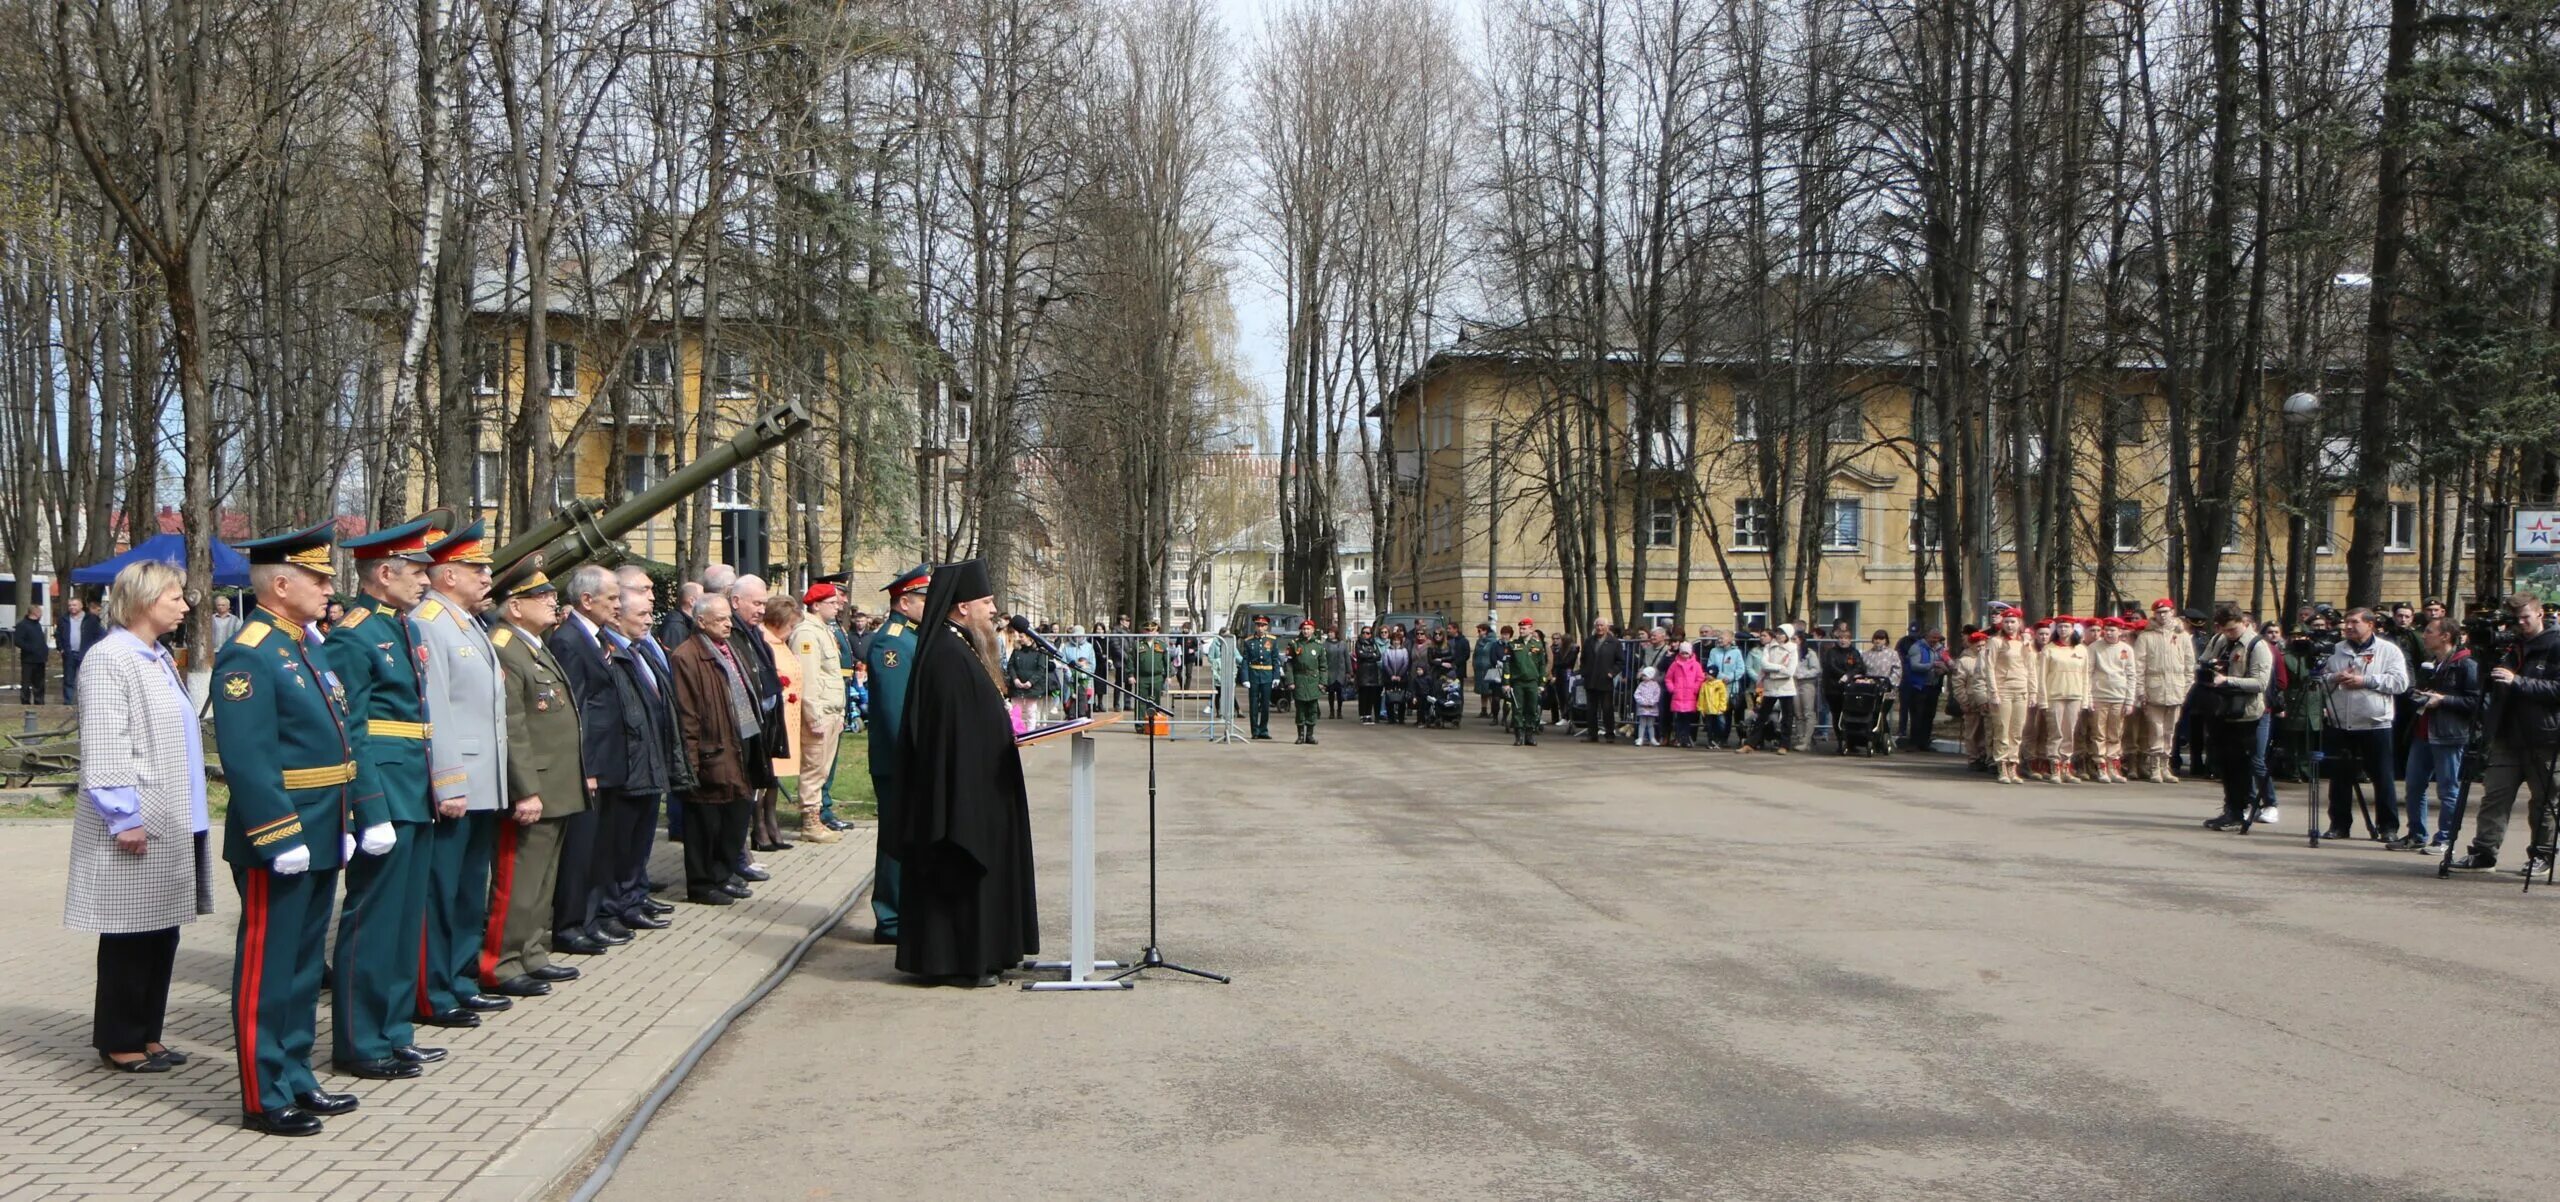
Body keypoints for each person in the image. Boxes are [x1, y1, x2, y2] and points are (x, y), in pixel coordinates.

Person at [211, 521, 362, 1136]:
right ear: (280, 583)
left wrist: (346, 818)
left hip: (323, 827)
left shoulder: (307, 643)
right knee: (268, 969)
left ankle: (296, 1071)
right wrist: (279, 835)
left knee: (303, 967)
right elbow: (248, 757)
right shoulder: (250, 650)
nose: (329, 587)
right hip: (282, 835)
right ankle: (263, 1093)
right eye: (319, 578)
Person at [67, 560, 211, 1077]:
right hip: (138, 821)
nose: (184, 604)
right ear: (145, 599)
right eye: (174, 595)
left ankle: (149, 1032)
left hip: (172, 817)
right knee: (130, 933)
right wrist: (123, 816)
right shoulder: (111, 659)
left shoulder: (156, 656)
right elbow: (107, 744)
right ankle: (119, 1039)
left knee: (161, 932)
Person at [323, 516, 444, 1081]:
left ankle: (394, 1031)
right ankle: (359, 1040)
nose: (426, 580)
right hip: (385, 792)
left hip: (413, 786)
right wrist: (368, 806)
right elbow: (354, 727)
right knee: (373, 920)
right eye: (417, 571)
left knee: (404, 920)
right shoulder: (354, 633)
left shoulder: (403, 628)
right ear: (384, 573)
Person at [889, 559, 1038, 987]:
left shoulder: (964, 647)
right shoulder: (946, 655)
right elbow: (948, 736)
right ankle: (957, 960)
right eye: (986, 602)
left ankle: (990, 951)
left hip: (981, 784)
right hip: (959, 792)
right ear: (960, 608)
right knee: (962, 872)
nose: (994, 610)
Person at [411, 522, 515, 1029]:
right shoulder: (430, 620)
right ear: (447, 575)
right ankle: (433, 990)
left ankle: (460, 979)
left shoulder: (467, 621)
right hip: (458, 781)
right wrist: (448, 780)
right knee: (443, 891)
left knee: (471, 887)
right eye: (477, 569)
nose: (486, 578)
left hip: (484, 779)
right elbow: (437, 708)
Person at [480, 570, 588, 998]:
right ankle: (501, 964)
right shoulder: (506, 647)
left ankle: (532, 952)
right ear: (515, 606)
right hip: (533, 787)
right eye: (539, 595)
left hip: (556, 783)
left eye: (550, 593)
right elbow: (513, 726)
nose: (551, 600)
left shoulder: (532, 646)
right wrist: (524, 788)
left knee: (543, 879)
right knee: (518, 880)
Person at [543, 565, 625, 958]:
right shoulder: (569, 640)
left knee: (596, 848)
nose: (618, 604)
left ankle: (588, 920)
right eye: (611, 598)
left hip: (602, 763)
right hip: (585, 767)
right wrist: (585, 767)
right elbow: (575, 710)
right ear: (587, 600)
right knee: (578, 851)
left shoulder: (591, 637)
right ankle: (570, 924)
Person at [2451, 595, 2560, 875]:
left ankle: (2542, 855)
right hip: (2505, 734)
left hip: (2544, 736)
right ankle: (2484, 852)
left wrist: (2519, 681)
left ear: (2539, 614)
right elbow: (2486, 684)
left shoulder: (2555, 644)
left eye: (2526, 617)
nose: (2521, 623)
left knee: (2545, 800)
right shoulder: (2510, 646)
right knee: (2495, 796)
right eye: (2516, 619)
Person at [599, 566, 680, 930]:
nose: (650, 616)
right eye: (643, 612)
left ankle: (634, 896)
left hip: (650, 758)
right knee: (618, 842)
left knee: (640, 838)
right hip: (628, 762)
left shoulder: (642, 650)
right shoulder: (613, 651)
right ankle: (617, 903)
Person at [669, 593, 759, 904]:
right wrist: (691, 762)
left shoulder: (729, 648)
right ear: (701, 621)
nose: (728, 624)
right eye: (720, 619)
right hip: (710, 751)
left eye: (728, 618)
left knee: (734, 818)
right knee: (704, 824)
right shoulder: (687, 656)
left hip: (738, 745)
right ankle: (702, 883)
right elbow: (687, 714)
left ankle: (723, 875)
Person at [863, 566, 929, 942]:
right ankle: (890, 919)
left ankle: (905, 911)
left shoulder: (910, 637)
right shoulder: (892, 643)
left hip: (906, 758)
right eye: (924, 598)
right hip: (896, 760)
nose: (930, 605)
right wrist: (912, 758)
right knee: (895, 838)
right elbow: (893, 711)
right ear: (904, 602)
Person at [2319, 607, 2410, 840]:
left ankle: (2388, 827)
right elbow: (2319, 680)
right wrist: (2335, 678)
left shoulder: (2388, 651)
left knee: (2382, 777)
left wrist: (2365, 681)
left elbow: (2400, 683)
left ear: (2370, 624)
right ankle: (2339, 825)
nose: (2348, 627)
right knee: (2339, 778)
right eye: (2346, 622)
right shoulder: (2335, 650)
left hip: (2375, 723)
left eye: (2354, 622)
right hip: (2341, 722)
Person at [2394, 620, 2482, 852]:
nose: (2424, 636)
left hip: (2449, 735)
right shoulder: (2434, 663)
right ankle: (2416, 834)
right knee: (2413, 786)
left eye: (2429, 632)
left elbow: (2478, 702)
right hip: (2423, 732)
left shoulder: (2466, 664)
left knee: (2447, 789)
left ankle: (2445, 839)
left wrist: (2444, 700)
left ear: (2445, 636)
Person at [2197, 607, 2276, 831]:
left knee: (2241, 765)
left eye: (2233, 629)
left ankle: (2240, 810)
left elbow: (2260, 683)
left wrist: (2228, 680)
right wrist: (2208, 668)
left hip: (2245, 713)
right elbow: (2204, 662)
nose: (2229, 633)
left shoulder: (2257, 645)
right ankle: (2230, 808)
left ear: (2243, 622)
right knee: (2224, 763)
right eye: (2225, 629)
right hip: (2220, 709)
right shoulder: (2220, 639)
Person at [787, 583, 849, 843]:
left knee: (822, 768)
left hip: (831, 709)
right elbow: (808, 679)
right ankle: (810, 821)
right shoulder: (806, 634)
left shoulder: (824, 631)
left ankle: (816, 818)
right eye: (832, 603)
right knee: (813, 768)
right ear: (815, 605)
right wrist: (812, 716)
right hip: (820, 711)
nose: (838, 606)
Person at [2134, 601, 2194, 783]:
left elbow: (2189, 665)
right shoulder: (2146, 636)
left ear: (2172, 612)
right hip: (2154, 689)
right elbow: (2138, 666)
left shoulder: (2182, 635)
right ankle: (2154, 767)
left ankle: (2165, 766)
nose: (2163, 615)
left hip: (2175, 689)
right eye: (2159, 612)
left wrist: (2185, 689)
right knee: (2155, 730)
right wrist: (2140, 691)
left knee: (2169, 731)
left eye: (2166, 612)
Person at [1982, 609, 2039, 784]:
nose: (2009, 625)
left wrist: (2033, 692)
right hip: (2003, 690)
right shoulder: (1995, 641)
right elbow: (1989, 667)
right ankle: (2002, 766)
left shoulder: (2025, 643)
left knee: (2017, 731)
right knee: (2002, 729)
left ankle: (2013, 765)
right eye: (2006, 622)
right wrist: (1993, 692)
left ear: (2019, 623)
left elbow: (2031, 669)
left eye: (2013, 621)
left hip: (2021, 690)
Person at [2087, 618, 2142, 783]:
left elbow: (2131, 675)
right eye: (2107, 630)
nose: (2109, 633)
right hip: (2099, 696)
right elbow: (2088, 672)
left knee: (2115, 733)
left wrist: (2129, 701)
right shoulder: (2094, 647)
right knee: (2098, 733)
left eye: (2113, 630)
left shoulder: (2126, 649)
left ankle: (2113, 766)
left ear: (2120, 632)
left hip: (2119, 697)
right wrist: (2089, 696)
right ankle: (2100, 765)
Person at [2039, 622, 2091, 783]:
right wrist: (2043, 699)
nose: (2063, 630)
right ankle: (2055, 766)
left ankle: (2066, 767)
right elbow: (2041, 676)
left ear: (2072, 629)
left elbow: (2085, 676)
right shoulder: (2049, 649)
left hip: (2074, 695)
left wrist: (2085, 699)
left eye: (2066, 627)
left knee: (2070, 732)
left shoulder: (2081, 649)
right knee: (2056, 733)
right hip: (2055, 695)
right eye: (2060, 627)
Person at [1231, 615, 1280, 738]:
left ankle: (1264, 729)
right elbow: (1245, 661)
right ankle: (1255, 731)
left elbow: (1275, 660)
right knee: (1253, 704)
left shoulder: (1272, 640)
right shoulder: (1249, 641)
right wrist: (1245, 678)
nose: (1260, 627)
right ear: (1255, 626)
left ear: (1267, 626)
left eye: (1263, 625)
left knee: (1265, 705)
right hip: (1254, 675)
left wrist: (1276, 676)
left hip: (1267, 676)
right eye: (1258, 625)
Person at [1901, 629, 1944, 750]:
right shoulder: (1917, 647)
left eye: (1937, 638)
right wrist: (1933, 665)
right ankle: (1914, 742)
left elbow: (1944, 662)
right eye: (1933, 638)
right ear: (1927, 636)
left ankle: (1925, 742)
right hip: (1918, 687)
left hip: (1933, 686)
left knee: (1929, 715)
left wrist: (1943, 670)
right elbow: (1914, 665)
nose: (1935, 641)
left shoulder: (1940, 649)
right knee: (1917, 715)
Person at [1506, 621, 1547, 746]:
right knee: (1517, 708)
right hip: (1518, 682)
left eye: (1524, 628)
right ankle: (1518, 736)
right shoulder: (1513, 645)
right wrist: (1506, 682)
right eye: (1520, 629)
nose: (1521, 631)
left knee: (1532, 708)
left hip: (1532, 682)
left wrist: (1542, 683)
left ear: (1530, 630)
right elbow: (1507, 665)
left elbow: (1542, 666)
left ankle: (1529, 735)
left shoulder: (1538, 645)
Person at [58, 594, 103, 706]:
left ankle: (87, 701)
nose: (72, 607)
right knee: (69, 678)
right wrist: (61, 648)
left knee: (87, 678)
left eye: (74, 605)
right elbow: (58, 635)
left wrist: (93, 649)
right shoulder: (64, 619)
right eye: (70, 605)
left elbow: (99, 635)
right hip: (69, 653)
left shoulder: (90, 619)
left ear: (81, 606)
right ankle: (68, 701)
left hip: (85, 653)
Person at [1581, 620, 1622, 743]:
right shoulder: (1589, 641)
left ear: (1607, 627)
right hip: (1591, 680)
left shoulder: (1614, 642)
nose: (1599, 628)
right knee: (1591, 709)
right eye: (1597, 625)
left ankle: (1609, 734)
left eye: (1602, 625)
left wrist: (1612, 672)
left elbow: (1620, 661)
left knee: (1607, 709)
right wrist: (1585, 672)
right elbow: (1583, 659)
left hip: (1605, 680)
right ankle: (1592, 735)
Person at [1287, 619, 1326, 743]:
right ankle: (1300, 735)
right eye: (1304, 629)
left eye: (1308, 629)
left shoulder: (1318, 646)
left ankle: (1310, 735)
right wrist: (1290, 681)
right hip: (1299, 680)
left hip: (1313, 681)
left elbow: (1323, 666)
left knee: (1312, 708)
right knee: (1300, 709)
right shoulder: (1295, 644)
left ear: (1313, 630)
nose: (1306, 631)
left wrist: (1322, 682)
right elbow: (1288, 664)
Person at [1665, 644, 1704, 748]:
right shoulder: (1675, 664)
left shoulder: (1696, 665)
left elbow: (1700, 678)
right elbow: (1668, 678)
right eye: (1682, 653)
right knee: (1678, 719)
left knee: (1687, 719)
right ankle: (1678, 738)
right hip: (1678, 695)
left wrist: (1695, 689)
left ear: (1690, 653)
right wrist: (1672, 689)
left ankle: (1685, 738)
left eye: (1686, 653)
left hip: (1690, 696)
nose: (1684, 655)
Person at [14, 605, 48, 703]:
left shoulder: (37, 625)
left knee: (39, 683)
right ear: (35, 613)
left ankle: (39, 701)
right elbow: (18, 640)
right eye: (40, 612)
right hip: (28, 659)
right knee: (26, 682)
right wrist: (30, 649)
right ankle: (25, 701)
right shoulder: (23, 625)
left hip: (40, 659)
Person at [1353, 626, 1382, 722]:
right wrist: (1371, 655)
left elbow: (1378, 655)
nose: (1366, 635)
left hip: (1373, 671)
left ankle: (1368, 714)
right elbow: (1360, 654)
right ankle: (1362, 714)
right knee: (1363, 694)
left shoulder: (1373, 643)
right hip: (1363, 671)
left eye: (1368, 633)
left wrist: (1368, 655)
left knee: (1371, 694)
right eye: (1364, 632)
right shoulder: (1359, 643)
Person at [1632, 665, 1664, 747]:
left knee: (1651, 724)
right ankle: (1640, 738)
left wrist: (1651, 703)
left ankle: (1652, 738)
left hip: (1651, 708)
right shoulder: (1641, 685)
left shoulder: (1655, 685)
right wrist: (1642, 702)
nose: (1643, 677)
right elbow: (1636, 694)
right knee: (1642, 724)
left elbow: (1657, 696)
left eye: (1645, 675)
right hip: (1643, 707)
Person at [1321, 626, 1348, 719]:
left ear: (1336, 633)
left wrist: (1349, 671)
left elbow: (1347, 658)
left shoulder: (1343, 644)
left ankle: (1339, 710)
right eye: (1329, 632)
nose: (1330, 634)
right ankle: (1331, 711)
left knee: (1340, 693)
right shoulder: (1325, 644)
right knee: (1331, 693)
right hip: (1330, 671)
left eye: (1332, 632)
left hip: (1340, 671)